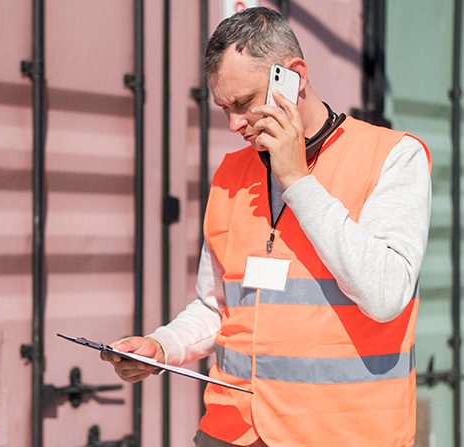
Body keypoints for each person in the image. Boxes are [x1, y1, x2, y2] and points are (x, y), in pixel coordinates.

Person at [101, 7, 431, 447]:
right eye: (224, 108)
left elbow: (386, 295)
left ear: (292, 77)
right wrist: (163, 346)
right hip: (230, 430)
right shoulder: (231, 174)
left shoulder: (393, 157)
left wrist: (298, 181)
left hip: (344, 435)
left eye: (243, 103)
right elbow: (219, 304)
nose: (234, 124)